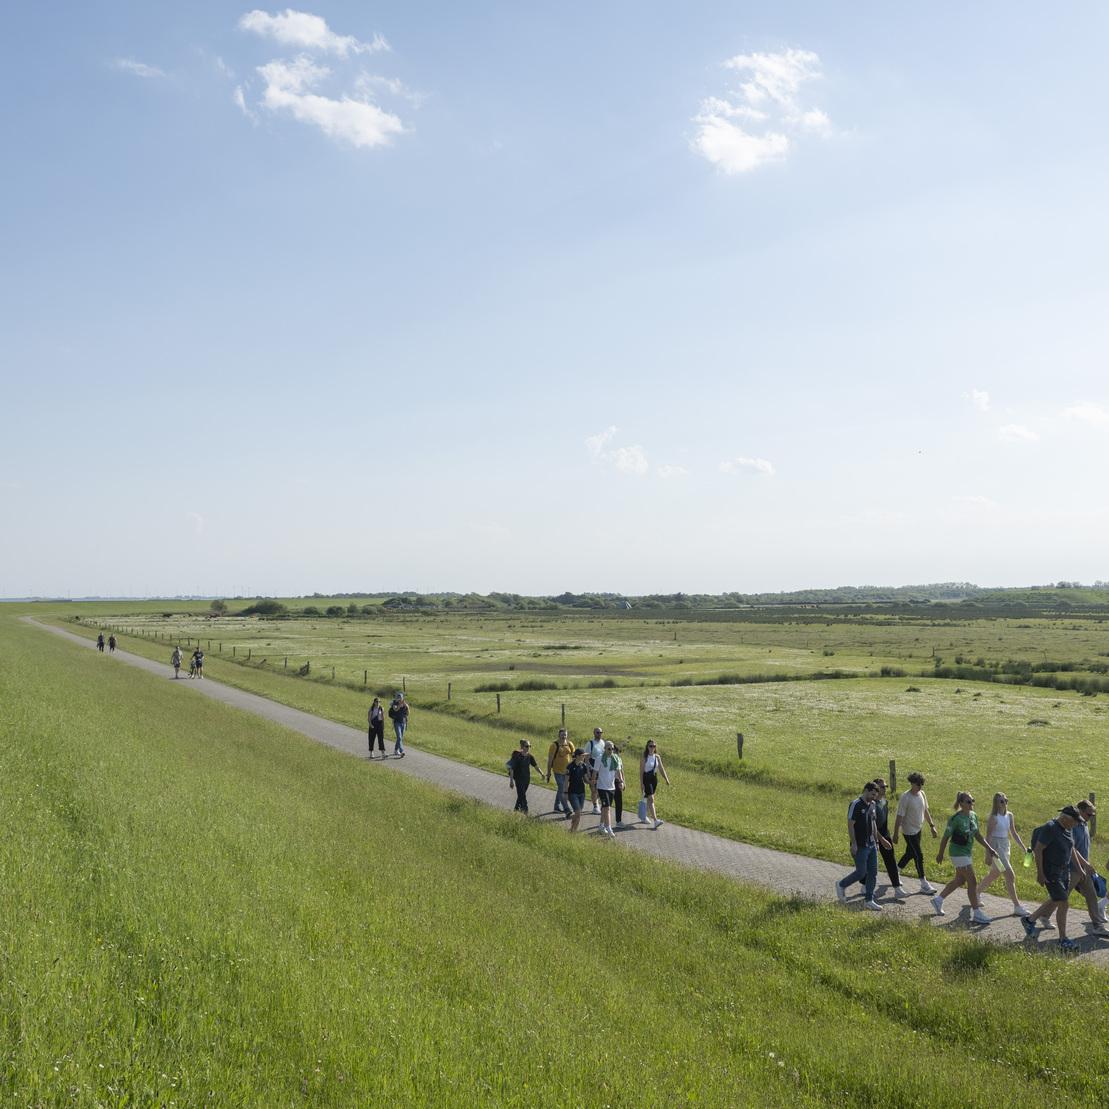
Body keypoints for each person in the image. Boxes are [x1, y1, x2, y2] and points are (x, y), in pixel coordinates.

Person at [1022, 805, 1090, 951]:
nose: (1076, 824)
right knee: (1063, 903)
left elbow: (1072, 848)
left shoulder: (1068, 829)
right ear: (1065, 818)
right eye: (1074, 821)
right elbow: (1038, 850)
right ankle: (1063, 939)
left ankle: (1029, 920)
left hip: (1064, 871)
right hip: (1051, 872)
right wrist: (1040, 873)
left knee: (1056, 899)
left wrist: (1079, 868)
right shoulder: (1051, 828)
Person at [932, 792, 995, 924]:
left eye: (972, 800)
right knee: (973, 881)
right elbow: (945, 837)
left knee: (960, 880)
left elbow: (978, 835)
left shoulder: (973, 816)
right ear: (961, 804)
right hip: (957, 853)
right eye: (968, 801)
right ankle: (977, 913)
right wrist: (940, 853)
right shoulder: (956, 819)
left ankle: (938, 900)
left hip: (966, 853)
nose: (971, 803)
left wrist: (989, 848)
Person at [835, 781, 889, 911]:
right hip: (860, 845)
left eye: (875, 795)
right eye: (872, 794)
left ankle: (869, 900)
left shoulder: (873, 804)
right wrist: (854, 843)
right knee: (861, 872)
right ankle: (841, 884)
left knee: (873, 872)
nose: (873, 797)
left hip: (871, 844)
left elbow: (873, 823)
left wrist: (878, 842)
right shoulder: (856, 804)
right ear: (865, 790)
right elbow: (850, 825)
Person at [977, 793, 1030, 916]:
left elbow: (1014, 833)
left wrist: (1024, 848)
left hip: (1005, 846)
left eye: (1006, 800)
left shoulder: (1009, 815)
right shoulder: (993, 817)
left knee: (995, 873)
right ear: (996, 803)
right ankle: (1017, 906)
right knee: (1010, 875)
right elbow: (988, 836)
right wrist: (987, 854)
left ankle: (976, 892)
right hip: (996, 848)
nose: (1004, 803)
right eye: (1001, 801)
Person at [893, 771, 939, 894]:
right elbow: (899, 816)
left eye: (922, 784)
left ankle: (895, 872)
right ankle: (924, 884)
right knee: (919, 855)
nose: (920, 787)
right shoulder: (906, 797)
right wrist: (896, 833)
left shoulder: (922, 794)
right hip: (908, 831)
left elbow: (925, 811)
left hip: (918, 829)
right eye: (918, 784)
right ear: (912, 783)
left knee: (910, 853)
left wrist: (932, 826)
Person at [1070, 799, 1107, 932]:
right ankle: (1038, 917)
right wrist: (1084, 864)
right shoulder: (1073, 825)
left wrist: (1087, 865)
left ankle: (1098, 926)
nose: (1091, 817)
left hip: (1084, 870)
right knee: (1059, 897)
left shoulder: (1084, 824)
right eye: (1089, 814)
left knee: (1091, 896)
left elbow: (1084, 848)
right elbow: (1072, 848)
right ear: (1079, 811)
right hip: (1072, 869)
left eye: (1093, 815)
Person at [873, 778, 907, 899]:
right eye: (882, 787)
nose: (885, 789)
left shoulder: (884, 802)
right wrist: (880, 839)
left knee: (891, 860)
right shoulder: (872, 804)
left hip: (884, 834)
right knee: (870, 863)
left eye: (886, 786)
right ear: (876, 788)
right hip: (873, 835)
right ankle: (864, 885)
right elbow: (872, 825)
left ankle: (897, 888)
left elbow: (885, 822)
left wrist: (887, 836)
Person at [594, 740, 624, 838]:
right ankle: (609, 829)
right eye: (609, 749)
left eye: (612, 749)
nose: (611, 750)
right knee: (607, 808)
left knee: (604, 808)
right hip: (601, 787)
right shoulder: (599, 758)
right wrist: (593, 785)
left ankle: (601, 826)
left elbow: (618, 772)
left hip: (611, 787)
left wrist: (621, 782)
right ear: (605, 749)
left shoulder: (616, 759)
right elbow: (595, 772)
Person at [639, 740, 671, 829]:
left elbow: (661, 768)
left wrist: (666, 779)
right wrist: (641, 783)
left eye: (654, 746)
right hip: (646, 779)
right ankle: (656, 821)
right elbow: (641, 772)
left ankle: (643, 816)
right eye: (650, 746)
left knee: (647, 799)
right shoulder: (644, 757)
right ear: (647, 747)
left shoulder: (657, 757)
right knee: (651, 799)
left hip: (654, 779)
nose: (652, 748)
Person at [546, 729, 575, 818]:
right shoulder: (554, 745)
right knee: (562, 789)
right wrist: (548, 773)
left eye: (565, 734)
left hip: (567, 772)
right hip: (557, 771)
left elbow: (574, 757)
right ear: (559, 735)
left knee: (561, 789)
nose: (564, 736)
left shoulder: (570, 744)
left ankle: (556, 807)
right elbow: (550, 760)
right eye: (562, 734)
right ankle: (567, 809)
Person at [506, 739, 541, 813]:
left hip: (527, 780)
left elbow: (536, 766)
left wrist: (541, 773)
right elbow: (511, 769)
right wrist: (511, 781)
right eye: (526, 746)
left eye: (529, 746)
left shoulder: (530, 756)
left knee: (521, 795)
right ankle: (525, 810)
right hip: (518, 779)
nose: (528, 748)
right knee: (522, 795)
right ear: (522, 747)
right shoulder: (517, 756)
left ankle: (516, 809)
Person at [566, 748, 590, 833]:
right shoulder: (570, 766)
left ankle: (571, 829)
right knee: (578, 813)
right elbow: (566, 781)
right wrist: (565, 793)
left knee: (578, 813)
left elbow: (585, 779)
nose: (584, 757)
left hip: (582, 793)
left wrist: (591, 782)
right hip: (573, 793)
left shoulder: (583, 766)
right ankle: (573, 832)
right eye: (583, 755)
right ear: (577, 756)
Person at [585, 728, 606, 814]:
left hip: (601, 769)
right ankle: (595, 806)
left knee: (600, 788)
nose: (599, 734)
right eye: (598, 732)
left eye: (601, 732)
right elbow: (586, 759)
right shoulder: (590, 743)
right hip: (592, 769)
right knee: (593, 788)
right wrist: (588, 771)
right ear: (594, 733)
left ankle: (598, 803)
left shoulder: (603, 742)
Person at [388, 692, 409, 757]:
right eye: (398, 697)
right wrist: (399, 705)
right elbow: (395, 709)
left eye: (401, 697)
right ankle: (401, 751)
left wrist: (407, 706)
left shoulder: (405, 704)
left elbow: (408, 713)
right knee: (399, 737)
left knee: (400, 738)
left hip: (403, 723)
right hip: (397, 722)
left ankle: (396, 750)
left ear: (402, 698)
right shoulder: (395, 703)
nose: (399, 699)